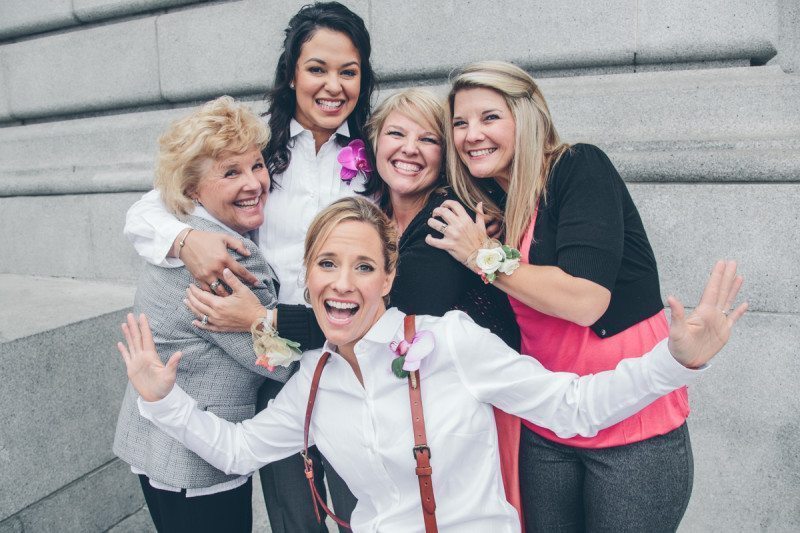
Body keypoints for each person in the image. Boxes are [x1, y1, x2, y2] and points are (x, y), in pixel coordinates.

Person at [117, 196, 746, 533]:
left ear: (390, 277)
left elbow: (574, 407)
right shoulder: (309, 383)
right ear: (306, 280)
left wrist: (674, 362)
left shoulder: (452, 343)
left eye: (364, 266)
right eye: (327, 264)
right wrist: (161, 401)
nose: (343, 284)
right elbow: (234, 451)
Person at [181, 88, 522, 515]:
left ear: (446, 154)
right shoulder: (375, 208)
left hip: (457, 417)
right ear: (374, 142)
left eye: (429, 139)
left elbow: (389, 318)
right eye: (397, 133)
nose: (410, 149)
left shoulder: (444, 215)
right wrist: (184, 236)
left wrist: (263, 318)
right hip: (383, 392)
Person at [427, 60, 713, 532]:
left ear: (528, 116)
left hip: (630, 423)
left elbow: (586, 300)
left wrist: (484, 258)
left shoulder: (578, 167)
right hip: (548, 423)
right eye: (459, 122)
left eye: (490, 117)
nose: (471, 134)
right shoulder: (497, 208)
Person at [122, 2, 374, 529]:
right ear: (291, 74)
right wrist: (184, 237)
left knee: (366, 511)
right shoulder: (258, 147)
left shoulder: (379, 153)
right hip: (274, 372)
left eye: (348, 71)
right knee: (294, 516)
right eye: (317, 69)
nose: (333, 86)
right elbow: (152, 206)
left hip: (357, 364)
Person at [112, 96, 295, 533]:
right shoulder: (229, 257)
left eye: (256, 165)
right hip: (199, 450)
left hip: (152, 439)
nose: (253, 182)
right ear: (193, 189)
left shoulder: (184, 234)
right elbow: (278, 362)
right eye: (231, 172)